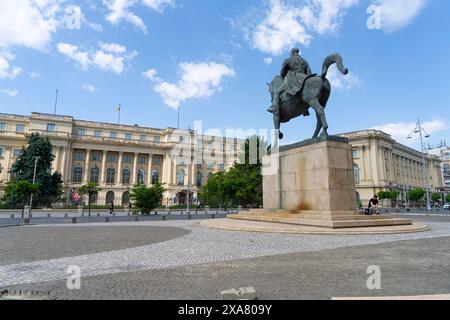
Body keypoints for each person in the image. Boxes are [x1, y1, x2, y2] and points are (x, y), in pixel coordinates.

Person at [267, 48, 313, 115]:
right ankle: (305, 110)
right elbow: (310, 74)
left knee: (277, 92)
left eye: (291, 52)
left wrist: (283, 77)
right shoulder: (305, 61)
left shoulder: (288, 60)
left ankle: (274, 107)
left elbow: (282, 72)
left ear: (293, 52)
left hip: (291, 80)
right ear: (297, 52)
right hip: (303, 80)